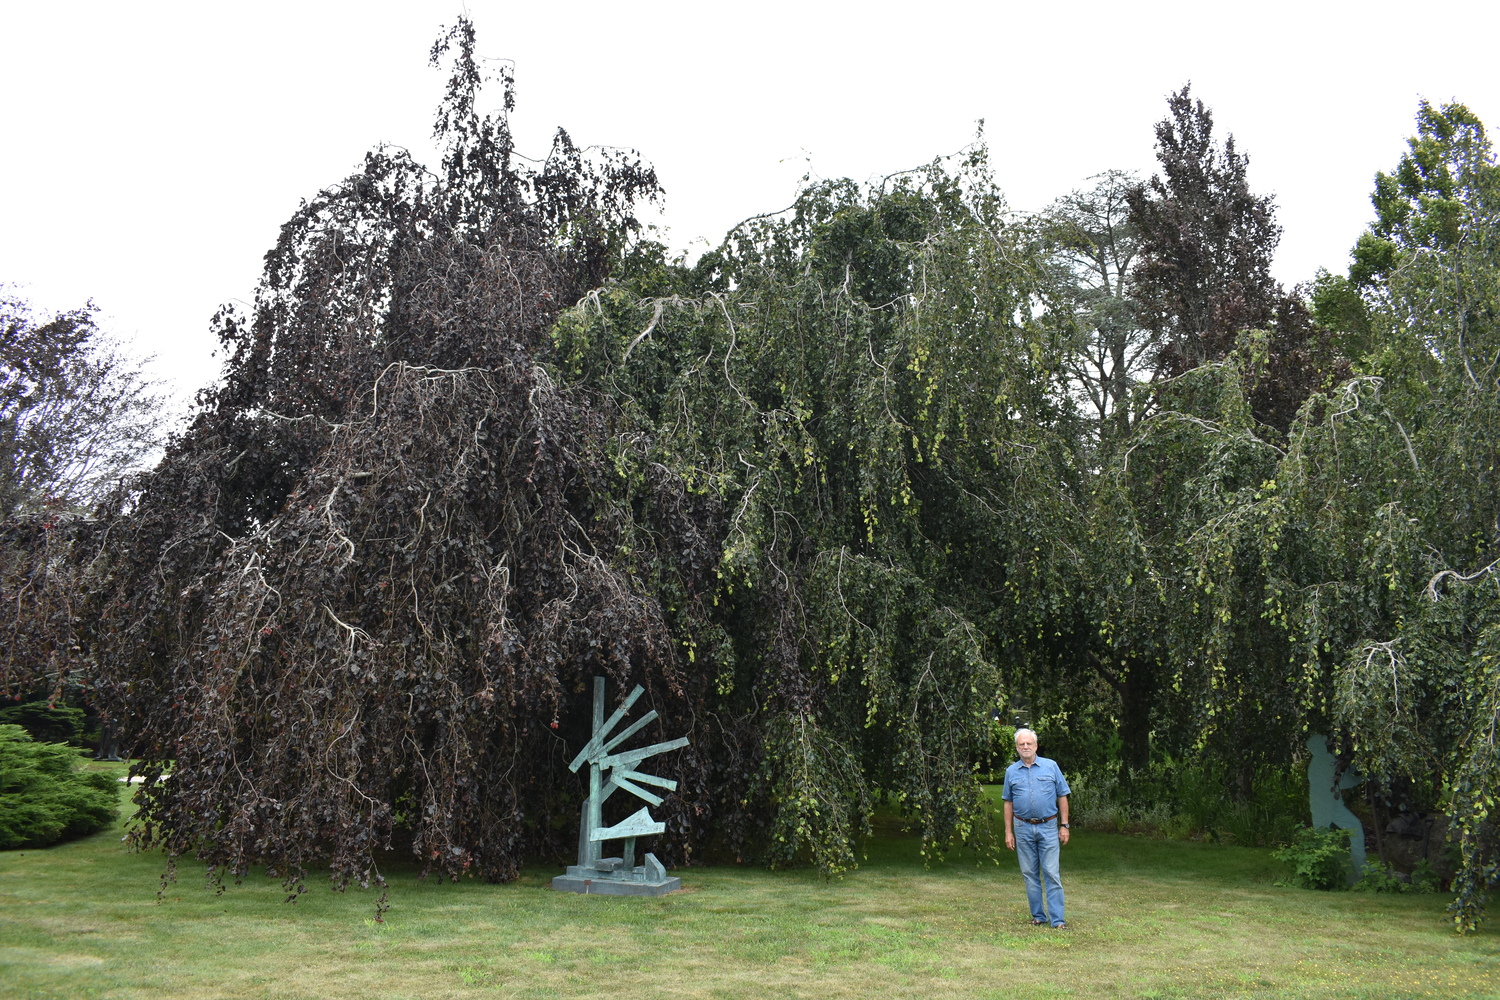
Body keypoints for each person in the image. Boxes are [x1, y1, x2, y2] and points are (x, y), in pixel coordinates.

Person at [1001, 727, 1070, 928]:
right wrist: (1008, 831)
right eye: (1021, 744)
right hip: (1022, 828)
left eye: (1029, 743)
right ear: (1017, 747)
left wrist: (1064, 825)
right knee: (1029, 874)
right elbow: (1008, 803)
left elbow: (1062, 796)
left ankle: (1058, 920)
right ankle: (1039, 916)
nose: (1025, 747)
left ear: (1036, 745)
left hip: (1048, 827)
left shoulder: (1051, 767)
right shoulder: (1011, 772)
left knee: (1051, 872)